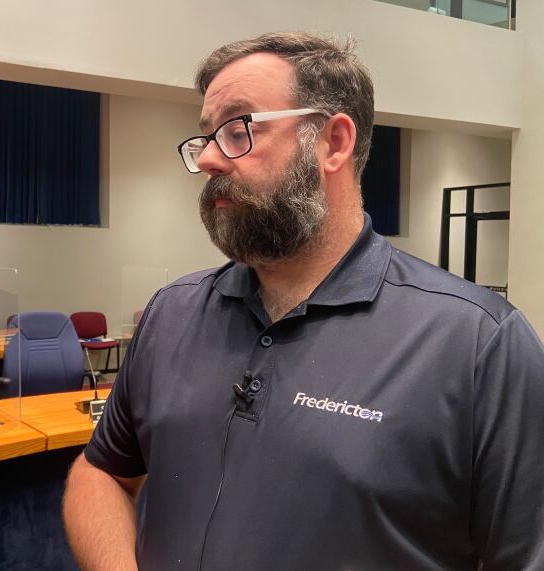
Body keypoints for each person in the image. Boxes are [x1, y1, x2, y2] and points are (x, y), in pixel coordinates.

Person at [62, 32, 544, 570]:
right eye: (206, 137)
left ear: (333, 143)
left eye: (238, 128)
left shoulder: (479, 345)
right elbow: (101, 471)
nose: (209, 161)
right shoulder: (171, 313)